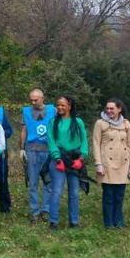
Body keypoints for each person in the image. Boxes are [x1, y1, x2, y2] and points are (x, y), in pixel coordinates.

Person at [93, 98, 130, 229]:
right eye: (107, 108)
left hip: (123, 164)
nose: (109, 111)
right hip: (107, 163)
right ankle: (109, 223)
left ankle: (119, 221)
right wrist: (98, 164)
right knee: (108, 196)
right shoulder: (100, 123)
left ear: (119, 109)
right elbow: (96, 144)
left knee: (119, 195)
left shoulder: (126, 124)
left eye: (112, 108)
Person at [47, 95, 88, 230]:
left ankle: (74, 221)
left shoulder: (78, 122)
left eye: (63, 105)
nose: (60, 107)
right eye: (58, 105)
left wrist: (81, 159)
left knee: (74, 192)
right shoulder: (53, 122)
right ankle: (53, 221)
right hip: (58, 160)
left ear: (69, 106)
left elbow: (84, 142)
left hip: (74, 160)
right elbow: (51, 142)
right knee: (57, 191)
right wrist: (57, 158)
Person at [20, 89, 55, 223]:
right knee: (33, 182)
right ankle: (34, 211)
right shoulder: (26, 112)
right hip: (32, 150)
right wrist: (21, 149)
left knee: (48, 181)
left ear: (43, 98)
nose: (33, 102)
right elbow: (24, 130)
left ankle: (46, 210)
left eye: (36, 100)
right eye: (31, 100)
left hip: (49, 150)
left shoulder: (53, 110)